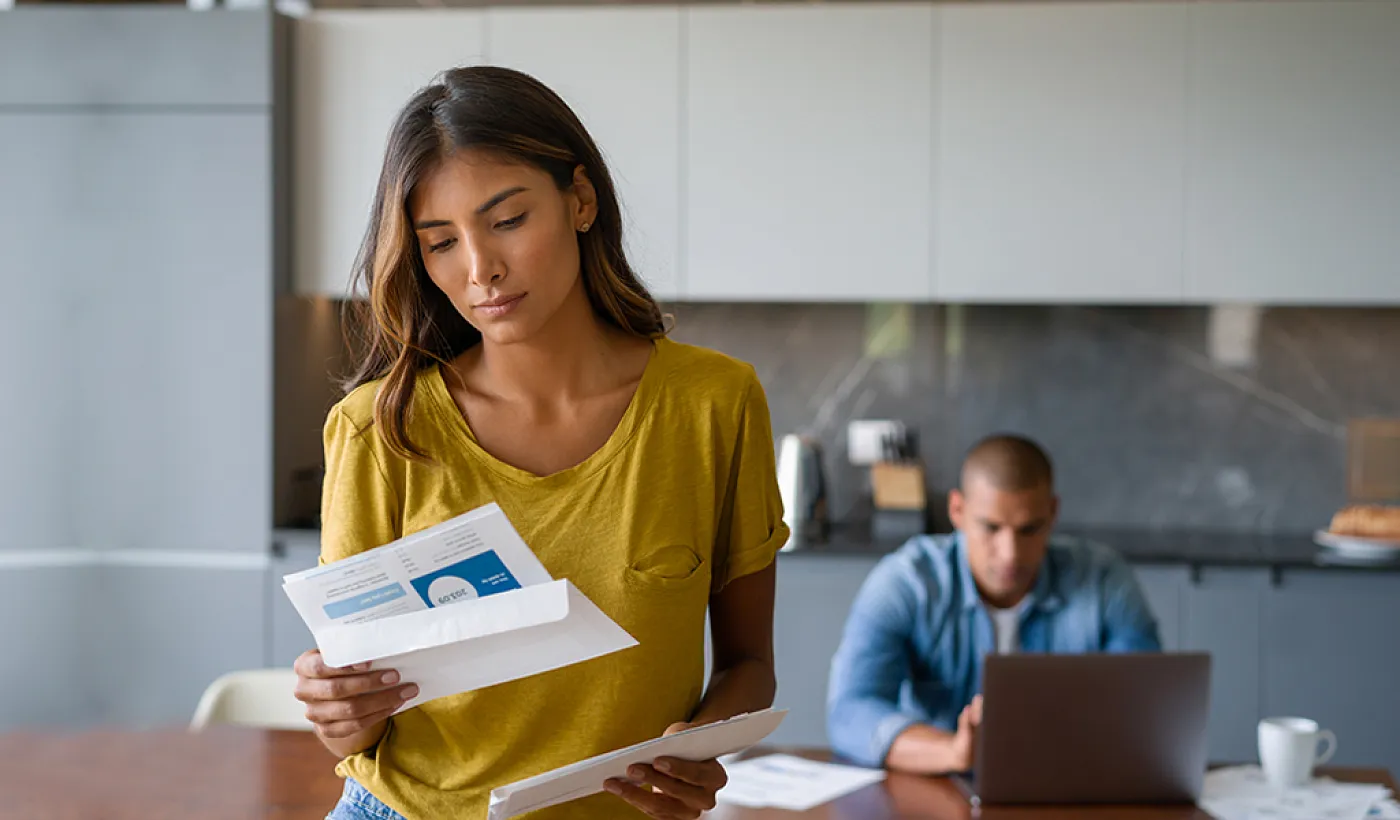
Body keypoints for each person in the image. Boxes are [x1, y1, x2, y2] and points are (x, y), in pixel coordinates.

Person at [292, 66, 788, 820]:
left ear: (580, 201)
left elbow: (751, 665)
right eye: (440, 243)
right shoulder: (377, 430)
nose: (480, 268)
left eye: (508, 220)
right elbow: (358, 729)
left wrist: (698, 746)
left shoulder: (714, 405)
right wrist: (338, 710)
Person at [826, 434, 1160, 774]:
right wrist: (951, 751)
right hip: (942, 785)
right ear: (957, 510)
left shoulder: (1103, 580)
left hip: (1069, 782)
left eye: (1030, 529)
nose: (1010, 553)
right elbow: (851, 711)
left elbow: (1146, 704)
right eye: (991, 527)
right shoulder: (906, 583)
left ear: (1053, 512)